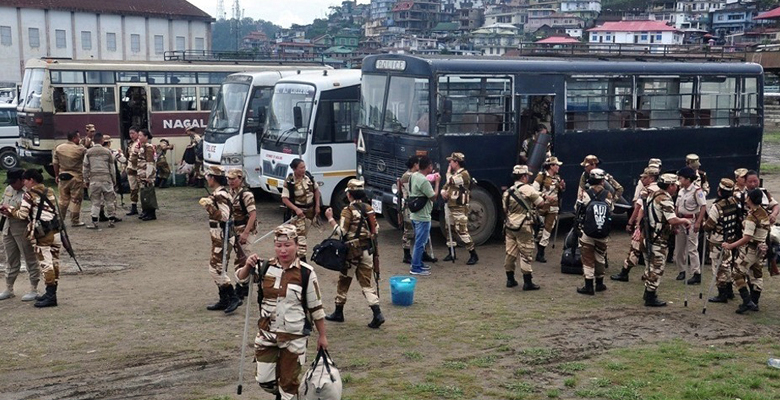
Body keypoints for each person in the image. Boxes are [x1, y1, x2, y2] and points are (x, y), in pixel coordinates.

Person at [236, 225, 328, 400]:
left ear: (297, 245)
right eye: (279, 245)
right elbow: (241, 279)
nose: (283, 250)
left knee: (288, 384)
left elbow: (316, 308)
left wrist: (322, 336)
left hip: (294, 337)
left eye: (288, 245)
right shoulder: (264, 267)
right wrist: (247, 266)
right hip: (266, 335)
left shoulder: (306, 273)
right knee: (264, 380)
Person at [323, 179, 384, 328]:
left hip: (352, 252)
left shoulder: (347, 211)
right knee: (366, 284)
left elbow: (342, 232)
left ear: (349, 195)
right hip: (368, 251)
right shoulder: (369, 209)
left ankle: (339, 312)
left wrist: (331, 219)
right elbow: (376, 229)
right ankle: (377, 313)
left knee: (344, 281)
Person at [0, 169, 63, 308]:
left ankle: (42, 292)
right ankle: (48, 293)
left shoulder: (29, 194)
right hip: (45, 230)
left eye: (24, 180)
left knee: (42, 262)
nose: (23, 183)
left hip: (31, 231)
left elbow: (23, 215)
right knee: (50, 263)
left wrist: (8, 209)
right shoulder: (49, 191)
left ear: (29, 180)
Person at [642, 173, 692, 307]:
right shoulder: (665, 199)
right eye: (675, 185)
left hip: (649, 235)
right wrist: (683, 220)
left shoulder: (653, 194)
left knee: (649, 266)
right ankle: (650, 296)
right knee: (657, 267)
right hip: (658, 239)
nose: (676, 187)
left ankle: (648, 292)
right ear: (670, 186)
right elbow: (671, 219)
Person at [199, 166, 241, 314]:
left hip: (223, 235)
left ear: (213, 178)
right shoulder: (218, 193)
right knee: (218, 268)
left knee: (215, 269)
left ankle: (233, 297)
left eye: (208, 177)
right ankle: (224, 299)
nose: (207, 180)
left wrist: (209, 207)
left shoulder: (221, 195)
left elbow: (224, 216)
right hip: (217, 234)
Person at [722, 188, 770, 314]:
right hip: (761, 249)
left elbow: (747, 237)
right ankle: (754, 302)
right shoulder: (763, 213)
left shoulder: (752, 217)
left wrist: (731, 246)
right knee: (756, 276)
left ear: (749, 198)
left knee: (737, 273)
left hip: (750, 250)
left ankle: (747, 301)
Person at [612, 166, 660, 282]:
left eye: (645, 177)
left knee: (635, 249)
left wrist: (632, 223)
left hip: (644, 225)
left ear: (651, 178)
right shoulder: (660, 190)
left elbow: (638, 208)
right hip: (656, 226)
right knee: (651, 252)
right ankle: (648, 273)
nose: (643, 180)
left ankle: (625, 272)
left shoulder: (646, 191)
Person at [0, 168, 41, 301]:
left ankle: (34, 288)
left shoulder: (29, 192)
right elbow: (3, 202)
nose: (11, 185)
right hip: (8, 228)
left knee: (29, 258)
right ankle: (9, 288)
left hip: (23, 229)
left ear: (21, 180)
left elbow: (31, 212)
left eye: (14, 182)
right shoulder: (8, 190)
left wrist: (12, 211)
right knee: (10, 259)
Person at [503, 165, 544, 290]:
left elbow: (505, 209)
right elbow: (540, 203)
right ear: (523, 176)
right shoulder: (528, 189)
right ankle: (527, 282)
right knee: (526, 252)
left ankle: (510, 279)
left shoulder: (508, 192)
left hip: (510, 225)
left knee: (510, 252)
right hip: (524, 225)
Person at [575, 168, 613, 295]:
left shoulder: (585, 193)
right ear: (602, 181)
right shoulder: (608, 194)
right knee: (600, 256)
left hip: (588, 231)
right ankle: (600, 283)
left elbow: (578, 208)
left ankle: (589, 285)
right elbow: (611, 209)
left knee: (587, 258)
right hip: (603, 232)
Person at [703, 178, 741, 303]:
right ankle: (729, 291)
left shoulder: (717, 207)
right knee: (727, 264)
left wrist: (704, 225)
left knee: (718, 267)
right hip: (730, 239)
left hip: (718, 240)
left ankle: (722, 294)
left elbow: (709, 225)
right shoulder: (734, 201)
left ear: (719, 191)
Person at [441, 152, 478, 265]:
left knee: (462, 230)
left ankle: (473, 254)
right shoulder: (456, 173)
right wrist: (443, 191)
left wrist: (447, 173)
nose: (449, 163)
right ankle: (451, 251)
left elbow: (450, 181)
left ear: (456, 162)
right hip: (450, 204)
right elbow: (446, 186)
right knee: (449, 228)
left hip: (459, 207)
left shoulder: (464, 174)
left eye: (451, 161)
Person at [281, 159, 321, 262]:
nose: (304, 170)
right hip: (298, 215)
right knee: (301, 238)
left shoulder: (309, 178)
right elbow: (285, 198)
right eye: (301, 168)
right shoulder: (290, 181)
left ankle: (293, 256)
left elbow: (316, 190)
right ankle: (302, 262)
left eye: (304, 167)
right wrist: (296, 209)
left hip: (310, 213)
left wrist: (317, 206)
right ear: (294, 169)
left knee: (301, 237)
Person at [399, 155, 436, 264]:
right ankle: (407, 254)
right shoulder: (408, 176)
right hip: (410, 205)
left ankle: (422, 253)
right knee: (409, 231)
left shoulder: (414, 176)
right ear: (415, 164)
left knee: (420, 234)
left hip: (415, 205)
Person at [227, 168, 257, 300]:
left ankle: (241, 288)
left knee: (242, 260)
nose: (231, 181)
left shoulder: (246, 195)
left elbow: (253, 215)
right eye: (229, 179)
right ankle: (243, 287)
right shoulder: (231, 192)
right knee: (240, 258)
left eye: (233, 179)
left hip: (246, 229)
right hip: (235, 229)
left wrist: (246, 233)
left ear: (240, 179)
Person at [674, 166, 707, 284]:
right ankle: (682, 270)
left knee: (692, 248)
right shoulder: (681, 190)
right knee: (679, 249)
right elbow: (677, 206)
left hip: (691, 221)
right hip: (681, 220)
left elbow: (703, 206)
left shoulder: (697, 191)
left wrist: (698, 222)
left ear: (688, 179)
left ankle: (696, 273)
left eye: (681, 178)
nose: (679, 180)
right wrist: (675, 220)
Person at [409, 155, 441, 275]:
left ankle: (419, 263)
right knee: (420, 243)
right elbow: (433, 197)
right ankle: (415, 267)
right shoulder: (423, 181)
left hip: (415, 214)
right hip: (423, 216)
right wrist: (437, 183)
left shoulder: (414, 176)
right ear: (429, 167)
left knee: (419, 241)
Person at [532, 156, 565, 262]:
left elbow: (560, 193)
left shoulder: (558, 178)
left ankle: (541, 252)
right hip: (542, 206)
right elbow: (533, 190)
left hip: (554, 207)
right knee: (540, 230)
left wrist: (562, 187)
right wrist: (545, 196)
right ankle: (538, 249)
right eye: (556, 165)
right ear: (551, 166)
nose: (558, 167)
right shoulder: (541, 176)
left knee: (548, 229)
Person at [82, 132, 118, 229]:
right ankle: (111, 220)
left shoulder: (88, 152)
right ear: (102, 140)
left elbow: (85, 168)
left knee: (95, 202)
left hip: (94, 180)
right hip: (106, 179)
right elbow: (112, 168)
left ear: (93, 141)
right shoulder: (107, 152)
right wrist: (113, 180)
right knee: (110, 200)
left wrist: (86, 180)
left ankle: (95, 222)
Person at [52, 130, 86, 227]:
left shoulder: (59, 148)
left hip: (63, 177)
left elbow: (55, 163)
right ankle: (75, 221)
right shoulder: (80, 149)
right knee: (76, 199)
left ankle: (60, 220)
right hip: (76, 177)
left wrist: (56, 175)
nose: (79, 139)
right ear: (74, 138)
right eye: (78, 137)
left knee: (62, 200)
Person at [136, 129, 157, 221]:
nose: (139, 137)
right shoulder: (142, 147)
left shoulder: (148, 147)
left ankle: (151, 213)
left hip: (146, 175)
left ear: (146, 137)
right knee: (144, 193)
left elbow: (150, 163)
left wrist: (149, 176)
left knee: (149, 194)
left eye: (141, 136)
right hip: (141, 174)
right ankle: (146, 211)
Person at [125, 126, 141, 216]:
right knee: (133, 188)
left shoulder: (140, 143)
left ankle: (145, 207)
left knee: (142, 188)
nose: (131, 135)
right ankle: (134, 207)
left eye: (133, 133)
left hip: (139, 168)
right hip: (131, 168)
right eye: (130, 133)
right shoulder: (130, 143)